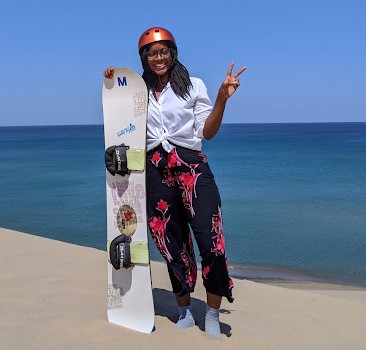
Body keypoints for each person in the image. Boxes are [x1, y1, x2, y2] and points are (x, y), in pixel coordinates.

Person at [104, 27, 246, 339]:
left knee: (211, 244)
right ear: (144, 57)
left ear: (173, 52)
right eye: (152, 53)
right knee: (170, 244)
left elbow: (207, 132)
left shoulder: (193, 86)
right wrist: (114, 82)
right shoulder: (137, 90)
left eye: (163, 51)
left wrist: (222, 99)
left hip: (192, 169)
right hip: (154, 172)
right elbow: (121, 120)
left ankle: (210, 312)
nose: (159, 57)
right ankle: (183, 309)